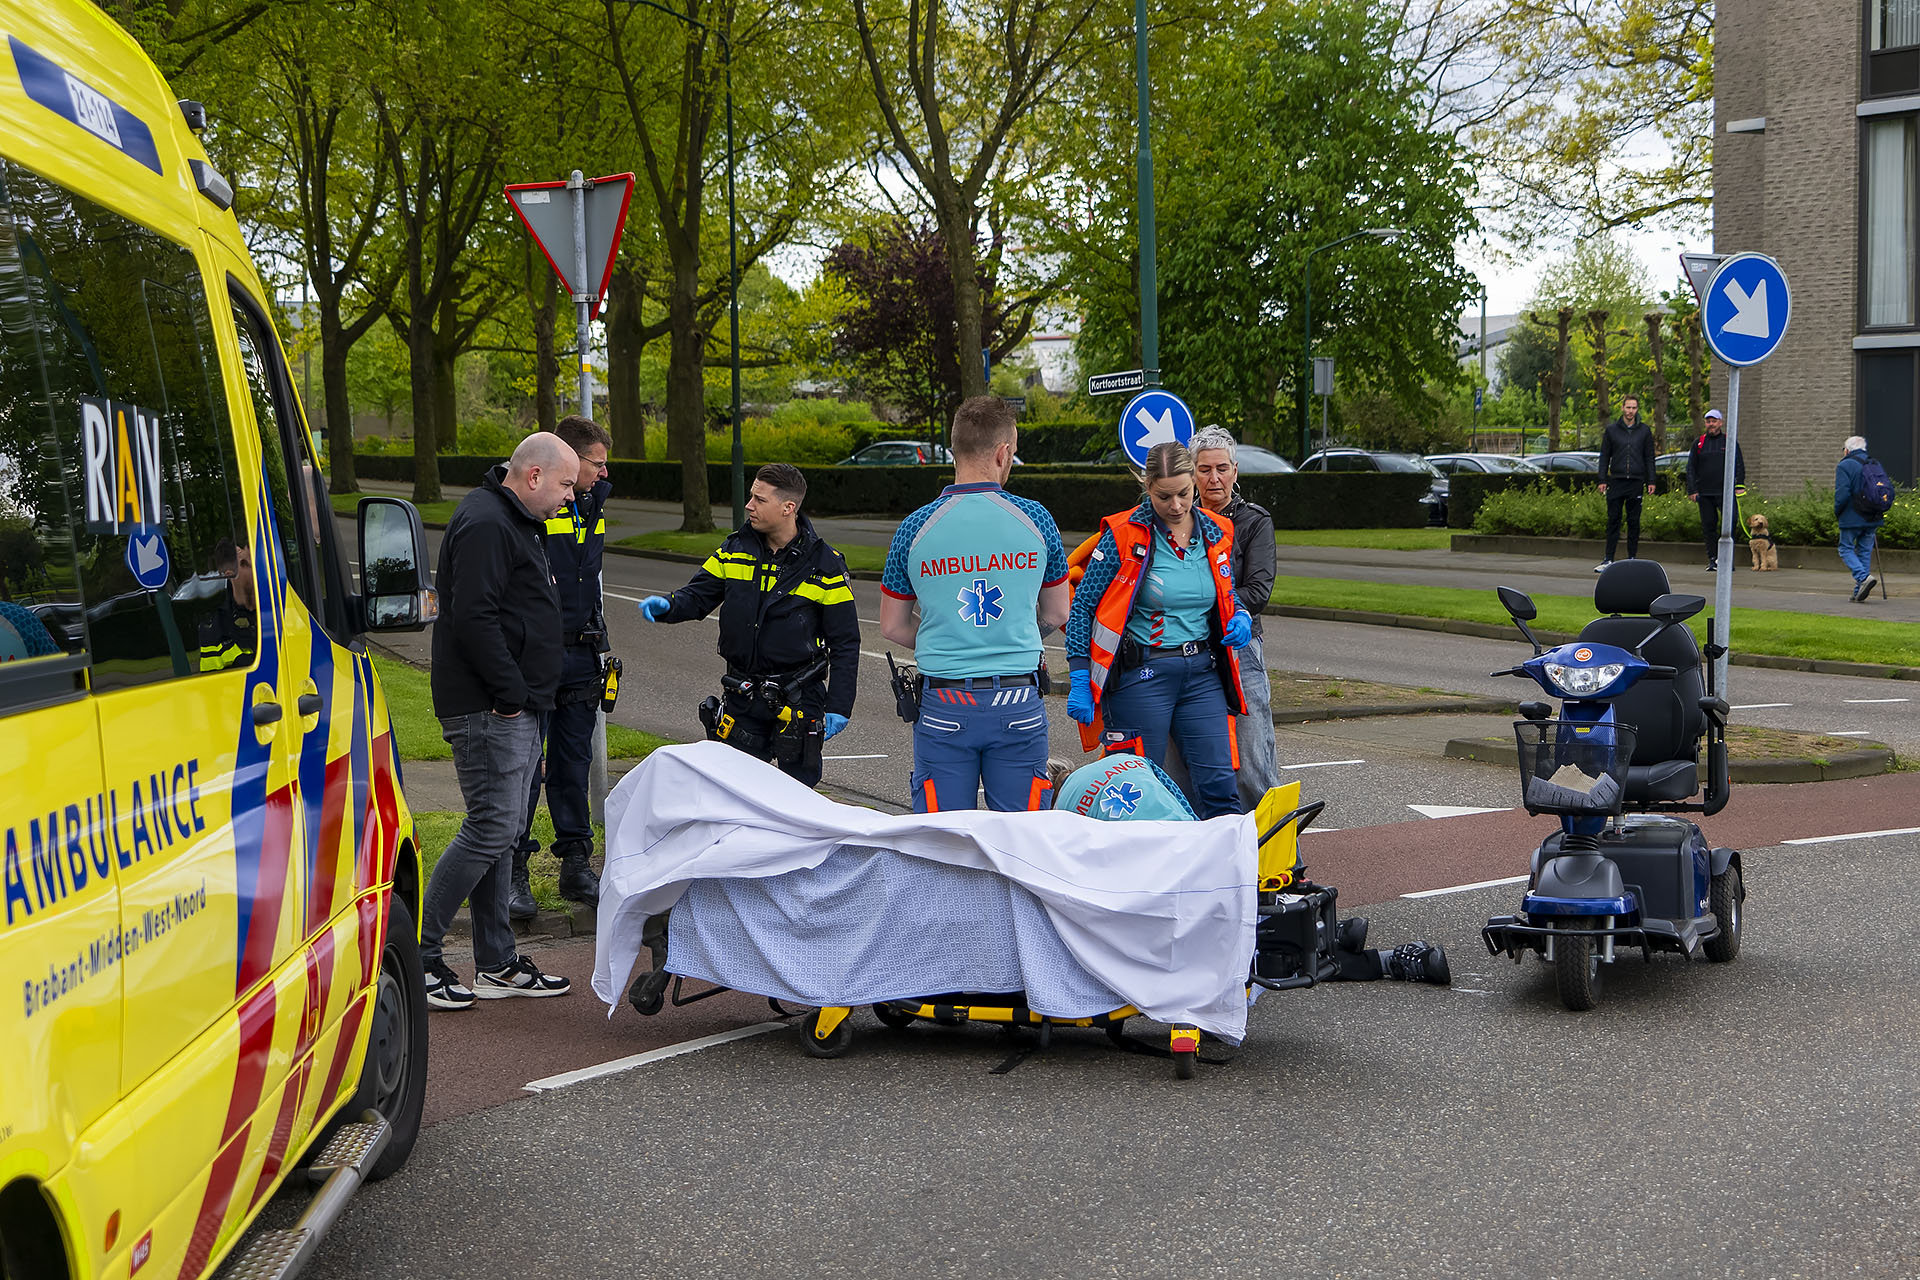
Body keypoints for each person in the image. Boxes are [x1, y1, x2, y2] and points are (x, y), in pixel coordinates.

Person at [421, 432, 577, 1011]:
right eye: (564, 484)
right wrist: (511, 693)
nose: (569, 496)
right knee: (491, 829)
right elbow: (474, 617)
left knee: (503, 832)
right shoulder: (489, 522)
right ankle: (422, 955)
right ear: (533, 476)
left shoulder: (509, 517)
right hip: (491, 707)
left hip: (514, 703)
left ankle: (496, 960)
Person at [879, 396, 1070, 812]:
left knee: (943, 842)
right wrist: (1013, 635)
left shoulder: (914, 527)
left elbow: (892, 627)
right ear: (1004, 452)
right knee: (1021, 839)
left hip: (944, 703)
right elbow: (1057, 612)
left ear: (955, 450)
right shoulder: (1036, 519)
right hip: (1018, 700)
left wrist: (950, 640)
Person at [1065, 441, 1255, 818]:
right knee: (1134, 788)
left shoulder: (1218, 531)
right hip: (1141, 677)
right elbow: (1083, 605)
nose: (1177, 505)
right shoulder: (1122, 535)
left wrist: (1240, 616)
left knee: (1220, 787)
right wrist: (1079, 678)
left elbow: (1225, 589)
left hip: (1202, 674)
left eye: (1185, 493)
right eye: (1163, 496)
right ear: (1146, 484)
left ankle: (1222, 874)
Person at [638, 463, 858, 787]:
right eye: (751, 497)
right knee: (734, 793)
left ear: (788, 508)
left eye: (759, 499)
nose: (748, 505)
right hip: (743, 696)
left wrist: (838, 705)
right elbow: (698, 595)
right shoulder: (734, 549)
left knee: (795, 800)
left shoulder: (825, 565)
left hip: (797, 702)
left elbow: (845, 642)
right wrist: (669, 605)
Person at [508, 415, 614, 922]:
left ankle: (576, 863)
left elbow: (590, 578)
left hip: (581, 654)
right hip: (537, 655)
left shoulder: (594, 503)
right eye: (595, 463)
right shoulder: (533, 502)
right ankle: (514, 870)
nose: (602, 472)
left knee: (572, 764)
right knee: (527, 766)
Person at [1191, 426, 1278, 811]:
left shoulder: (1254, 522)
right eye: (1205, 469)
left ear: (1236, 471)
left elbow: (1258, 591)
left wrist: (1203, 603)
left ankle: (1283, 863)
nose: (1214, 478)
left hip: (1240, 647)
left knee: (1253, 764)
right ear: (1191, 473)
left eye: (1222, 468)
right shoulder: (1179, 520)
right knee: (1197, 764)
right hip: (1187, 648)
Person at [1595, 394, 1656, 572]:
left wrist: (1651, 479)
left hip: (1636, 481)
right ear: (1622, 408)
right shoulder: (1611, 430)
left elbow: (1649, 457)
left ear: (1637, 409)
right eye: (1628, 407)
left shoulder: (1644, 431)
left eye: (1634, 408)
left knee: (1633, 521)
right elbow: (1604, 456)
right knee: (1613, 520)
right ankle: (1608, 559)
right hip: (1616, 481)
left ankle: (1632, 558)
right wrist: (1602, 479)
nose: (1631, 411)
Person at [1685, 408, 1746, 571]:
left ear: (1721, 422)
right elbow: (1691, 467)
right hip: (1704, 493)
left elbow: (1738, 464)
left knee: (1730, 525)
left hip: (1725, 493)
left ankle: (1726, 560)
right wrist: (1692, 489)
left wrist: (1739, 485)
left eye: (1714, 421)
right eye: (1708, 421)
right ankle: (1713, 559)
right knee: (1708, 526)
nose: (1711, 424)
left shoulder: (1729, 441)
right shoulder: (1699, 443)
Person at [1836, 435, 1886, 602]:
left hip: (1852, 516)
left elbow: (1842, 493)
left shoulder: (1845, 465)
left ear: (1847, 450)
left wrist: (1838, 511)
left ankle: (1863, 578)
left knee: (1845, 548)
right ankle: (1859, 591)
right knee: (1864, 551)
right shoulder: (1874, 463)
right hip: (1872, 515)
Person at [197, 539, 256, 671]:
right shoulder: (214, 629)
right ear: (231, 575)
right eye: (246, 564)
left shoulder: (275, 607)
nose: (255, 569)